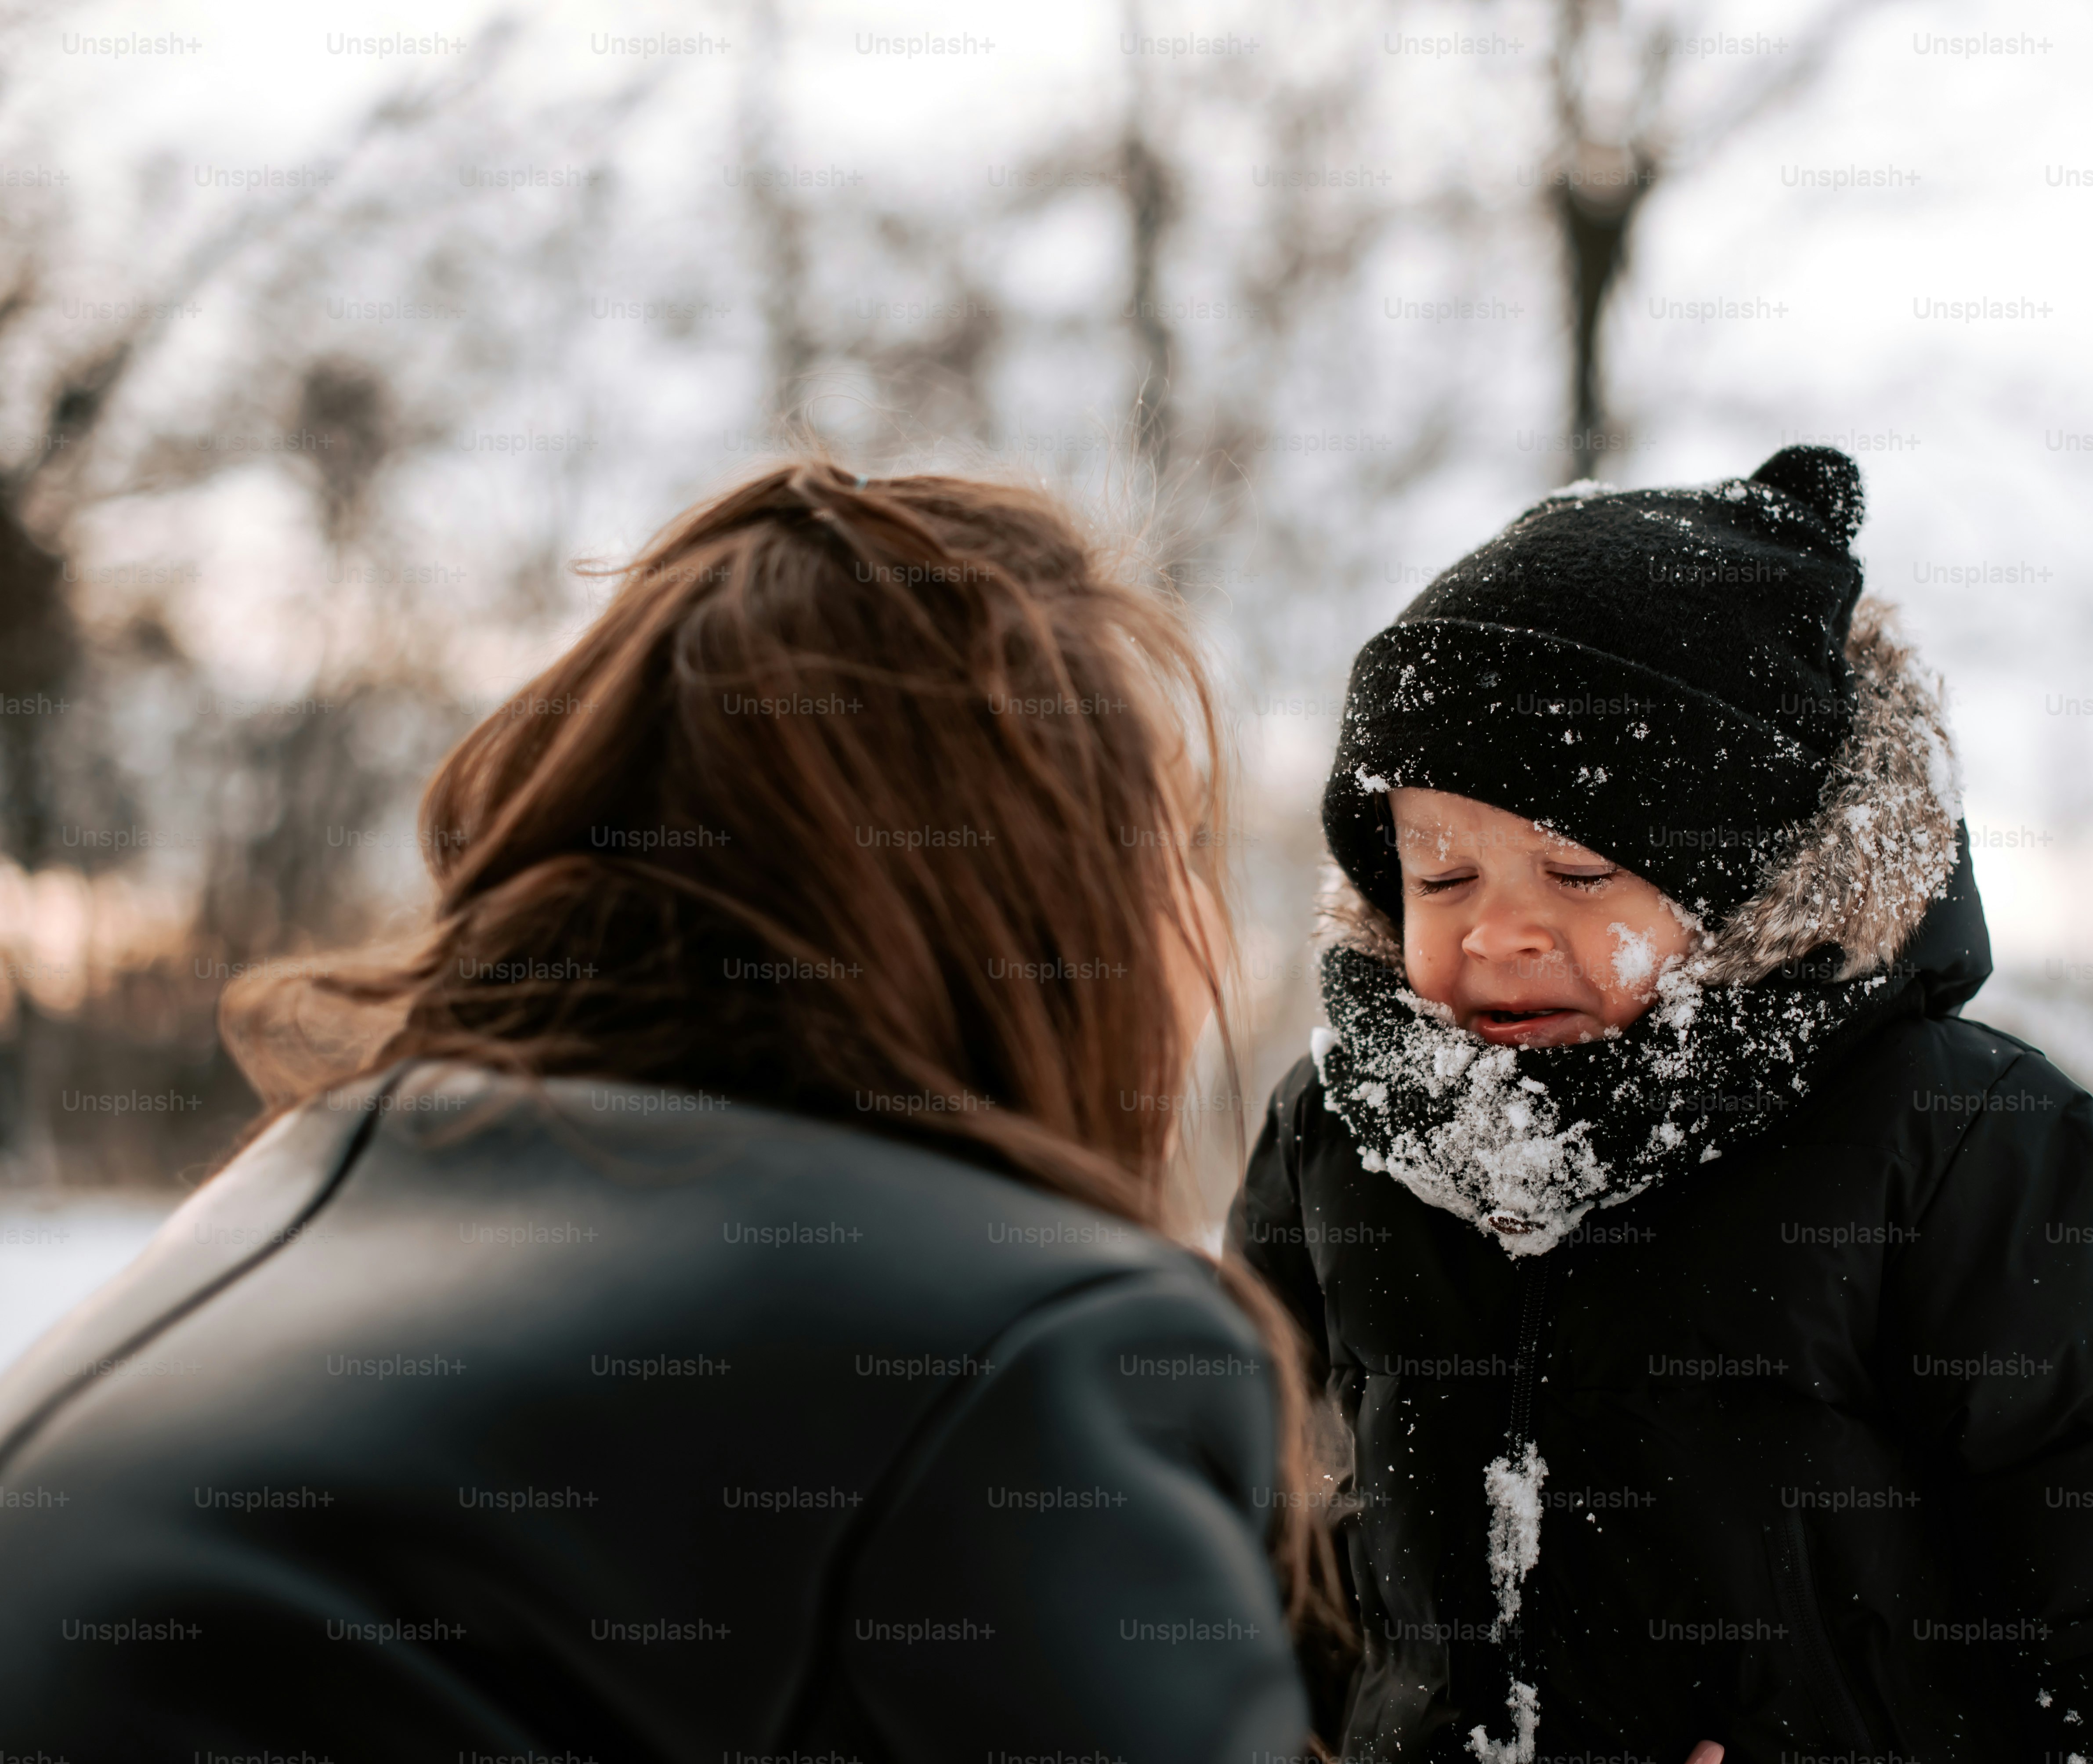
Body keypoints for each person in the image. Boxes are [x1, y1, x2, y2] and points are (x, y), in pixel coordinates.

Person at [0, 464, 1337, 1760]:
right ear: (1041, 911)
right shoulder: (1020, 1355)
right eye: (1179, 843)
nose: (1203, 930)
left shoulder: (295, 1196)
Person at [1228, 446, 2093, 1760]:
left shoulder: (1944, 1138)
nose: (1500, 933)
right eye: (1443, 881)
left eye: (1577, 869)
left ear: (1743, 881)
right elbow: (1231, 1524)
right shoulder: (1347, 1134)